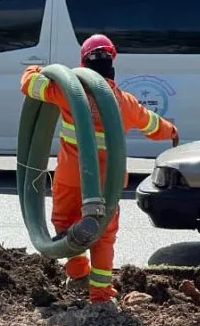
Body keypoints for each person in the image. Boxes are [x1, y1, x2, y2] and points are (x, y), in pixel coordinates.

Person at [20, 34, 179, 305]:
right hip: (107, 185)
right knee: (103, 237)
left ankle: (77, 273)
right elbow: (152, 125)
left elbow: (30, 85)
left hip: (71, 179)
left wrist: (35, 69)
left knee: (64, 225)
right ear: (112, 64)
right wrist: (171, 131)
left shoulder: (68, 93)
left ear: (83, 62)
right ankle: (101, 295)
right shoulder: (123, 102)